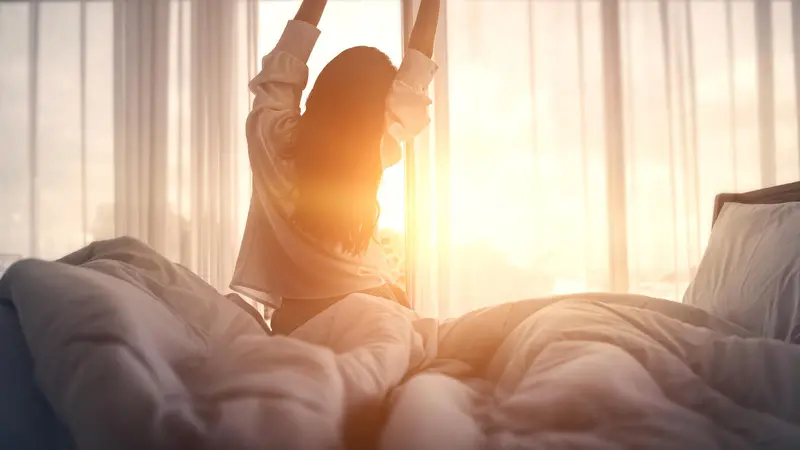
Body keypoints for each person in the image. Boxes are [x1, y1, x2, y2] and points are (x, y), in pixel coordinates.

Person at [230, 0, 440, 334]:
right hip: (377, 306)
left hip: (298, 318)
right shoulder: (373, 145)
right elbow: (413, 80)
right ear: (378, 108)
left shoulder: (270, 137)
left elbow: (284, 63)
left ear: (321, 89)